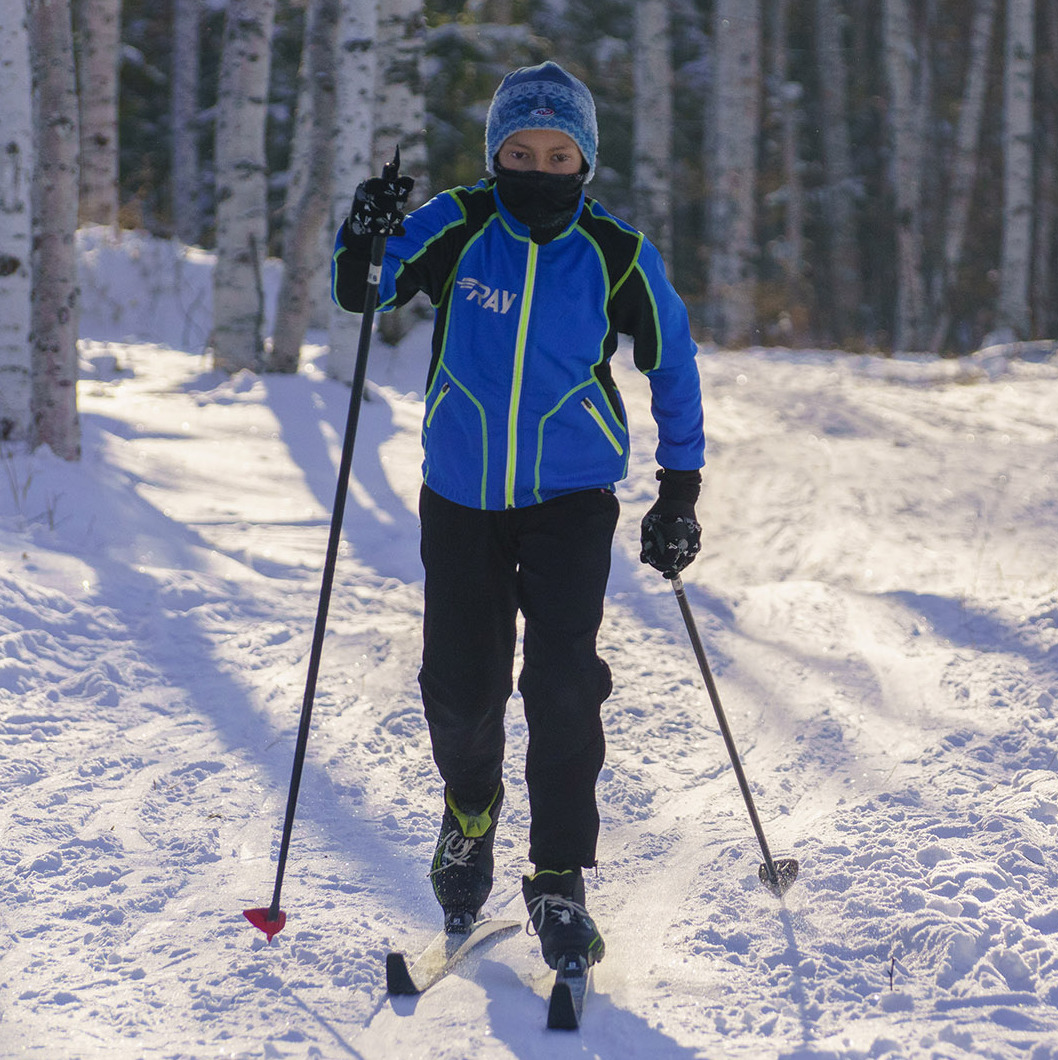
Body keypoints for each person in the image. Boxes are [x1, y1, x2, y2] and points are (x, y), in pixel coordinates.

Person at [331, 60, 704, 973]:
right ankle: (469, 816)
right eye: (520, 151)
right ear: (496, 154)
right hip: (459, 493)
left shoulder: (617, 254)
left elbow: (674, 364)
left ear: (585, 160)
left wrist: (679, 488)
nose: (538, 168)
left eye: (558, 152)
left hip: (571, 497)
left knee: (563, 683)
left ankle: (557, 878)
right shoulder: (458, 224)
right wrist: (364, 229)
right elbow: (362, 289)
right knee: (460, 686)